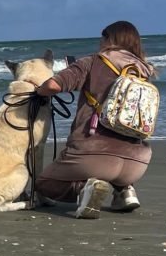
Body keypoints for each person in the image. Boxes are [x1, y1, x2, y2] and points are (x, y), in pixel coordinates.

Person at [35, 20, 156, 219]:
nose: (99, 42)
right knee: (119, 161)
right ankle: (124, 191)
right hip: (137, 162)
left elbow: (53, 86)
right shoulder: (143, 71)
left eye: (102, 37)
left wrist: (39, 91)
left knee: (44, 184)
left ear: (109, 39)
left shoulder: (92, 62)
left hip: (93, 155)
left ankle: (86, 189)